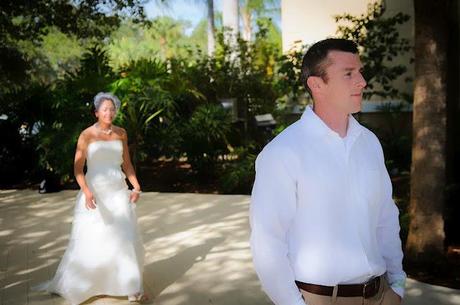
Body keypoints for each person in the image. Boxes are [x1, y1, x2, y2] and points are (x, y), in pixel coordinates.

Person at [250, 38, 406, 305]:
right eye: (348, 74)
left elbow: (385, 218)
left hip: (382, 295)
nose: (362, 82)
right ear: (317, 84)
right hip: (321, 299)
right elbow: (267, 243)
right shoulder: (282, 153)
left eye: (359, 71)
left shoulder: (369, 143)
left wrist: (398, 284)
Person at [35, 92, 148, 304]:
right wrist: (86, 191)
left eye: (112, 108)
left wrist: (136, 185)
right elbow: (78, 168)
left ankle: (132, 287)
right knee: (93, 238)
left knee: (125, 236)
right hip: (95, 191)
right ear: (96, 112)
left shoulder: (121, 133)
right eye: (105, 109)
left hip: (117, 190)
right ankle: (88, 285)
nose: (109, 112)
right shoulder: (86, 135)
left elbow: (127, 163)